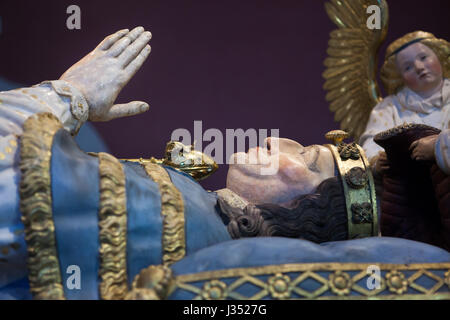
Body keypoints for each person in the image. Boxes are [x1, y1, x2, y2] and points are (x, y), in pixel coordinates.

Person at [0, 28, 447, 300]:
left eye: (308, 159)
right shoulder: (194, 208)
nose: (277, 140)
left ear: (303, 208)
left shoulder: (172, 212)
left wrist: (68, 95)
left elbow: (12, 186)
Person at [359, 31, 450, 175]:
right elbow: (371, 140)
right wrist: (377, 160)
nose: (419, 67)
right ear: (399, 77)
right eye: (408, 67)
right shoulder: (389, 108)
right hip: (407, 185)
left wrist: (436, 147)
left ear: (439, 56)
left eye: (424, 57)